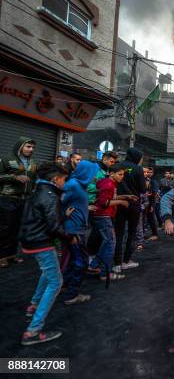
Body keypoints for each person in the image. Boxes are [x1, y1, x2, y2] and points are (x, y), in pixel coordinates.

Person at [19, 162, 70, 345]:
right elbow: (53, 226)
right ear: (56, 179)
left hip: (30, 240)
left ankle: (33, 305)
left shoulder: (38, 191)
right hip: (41, 242)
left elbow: (44, 217)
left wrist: (63, 215)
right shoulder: (50, 196)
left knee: (47, 273)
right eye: (64, 179)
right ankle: (33, 331)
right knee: (56, 281)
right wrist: (69, 237)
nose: (66, 182)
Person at [61, 160, 97, 305]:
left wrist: (86, 208)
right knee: (80, 262)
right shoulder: (73, 185)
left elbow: (73, 203)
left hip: (78, 228)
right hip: (73, 229)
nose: (94, 176)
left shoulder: (80, 185)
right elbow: (57, 202)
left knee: (74, 260)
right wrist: (64, 214)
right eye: (92, 173)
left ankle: (66, 285)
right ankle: (72, 294)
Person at [0, 137, 36, 268]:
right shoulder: (7, 159)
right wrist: (14, 177)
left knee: (18, 228)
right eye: (28, 147)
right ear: (20, 146)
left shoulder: (32, 162)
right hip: (8, 198)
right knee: (6, 228)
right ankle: (2, 256)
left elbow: (34, 180)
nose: (31, 149)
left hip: (24, 199)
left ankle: (12, 254)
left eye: (32, 147)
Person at [90, 164, 130, 281]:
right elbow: (104, 202)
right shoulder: (108, 184)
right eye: (120, 174)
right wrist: (121, 202)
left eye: (123, 174)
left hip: (102, 216)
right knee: (110, 244)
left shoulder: (108, 182)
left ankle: (94, 265)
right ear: (112, 173)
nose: (122, 177)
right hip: (103, 216)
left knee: (107, 243)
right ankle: (104, 273)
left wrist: (125, 197)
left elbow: (110, 197)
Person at [114, 148, 145, 272]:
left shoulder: (118, 166)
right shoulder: (138, 169)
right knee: (131, 233)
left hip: (118, 203)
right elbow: (143, 189)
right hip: (133, 203)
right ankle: (126, 261)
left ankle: (116, 263)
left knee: (118, 234)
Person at [143, 166, 160, 241]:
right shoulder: (144, 180)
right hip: (144, 202)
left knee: (151, 218)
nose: (148, 173)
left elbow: (154, 193)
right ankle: (142, 234)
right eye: (147, 172)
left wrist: (152, 205)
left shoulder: (153, 181)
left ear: (153, 173)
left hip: (151, 202)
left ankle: (155, 234)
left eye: (150, 172)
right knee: (144, 219)